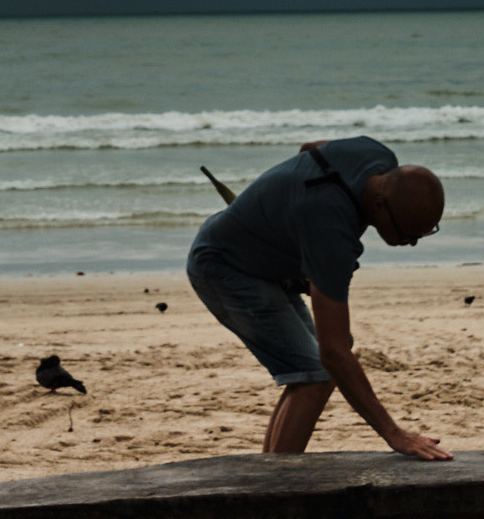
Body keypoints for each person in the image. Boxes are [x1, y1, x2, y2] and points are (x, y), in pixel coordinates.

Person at [188, 137, 451, 469]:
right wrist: (393, 433)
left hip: (262, 256)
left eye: (423, 234)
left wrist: (287, 223)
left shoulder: (374, 154)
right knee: (318, 373)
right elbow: (333, 354)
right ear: (381, 204)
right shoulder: (329, 233)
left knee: (312, 371)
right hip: (226, 266)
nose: (412, 243)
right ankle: (269, 508)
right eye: (407, 233)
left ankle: (256, 518)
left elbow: (310, 149)